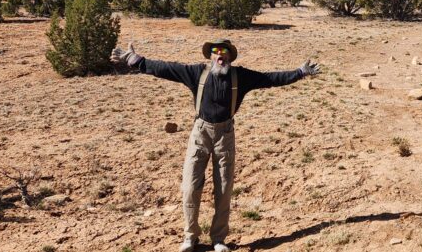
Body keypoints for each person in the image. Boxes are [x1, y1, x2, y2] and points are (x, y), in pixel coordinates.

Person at [112, 38, 320, 252]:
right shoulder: (197, 73)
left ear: (229, 56)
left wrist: (300, 72)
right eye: (216, 51)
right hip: (200, 133)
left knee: (224, 188)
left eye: (224, 52)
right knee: (191, 186)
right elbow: (166, 69)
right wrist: (135, 60)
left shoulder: (241, 76)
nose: (220, 55)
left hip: (225, 135)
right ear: (210, 55)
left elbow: (270, 78)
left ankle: (218, 239)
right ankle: (190, 237)